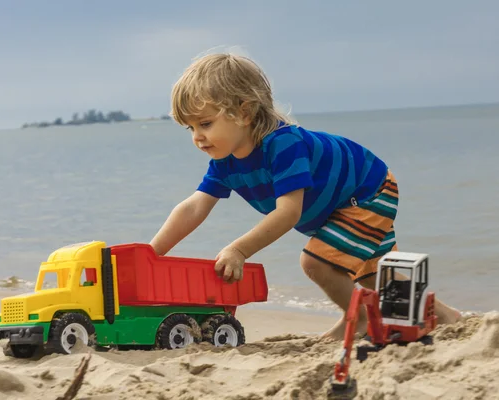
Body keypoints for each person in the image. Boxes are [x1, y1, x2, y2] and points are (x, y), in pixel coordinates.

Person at [149, 52, 461, 340]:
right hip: (340, 203)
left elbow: (288, 212)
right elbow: (194, 207)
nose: (197, 137)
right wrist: (152, 252)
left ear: (244, 112)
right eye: (189, 128)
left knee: (316, 263)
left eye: (205, 123)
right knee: (373, 276)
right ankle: (450, 318)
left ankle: (361, 318)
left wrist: (239, 250)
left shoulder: (282, 145)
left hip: (367, 190)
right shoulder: (224, 162)